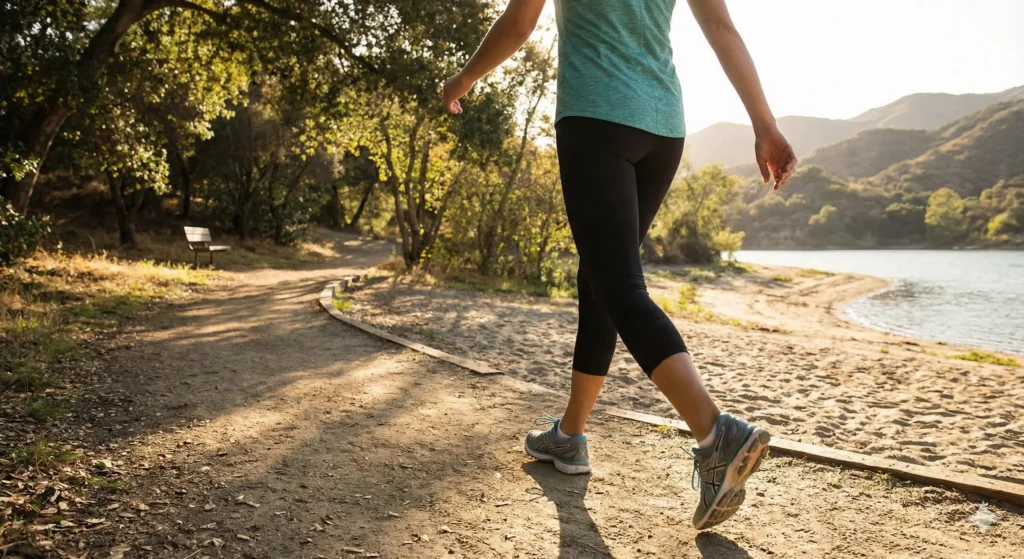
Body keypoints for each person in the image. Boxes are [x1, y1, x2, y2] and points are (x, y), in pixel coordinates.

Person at [443, 0, 797, 530]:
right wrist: (764, 124)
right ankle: (570, 436)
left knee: (620, 285)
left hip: (596, 119)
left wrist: (463, 79)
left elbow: (520, 22)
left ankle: (715, 432)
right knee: (601, 279)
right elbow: (722, 27)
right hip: (662, 129)